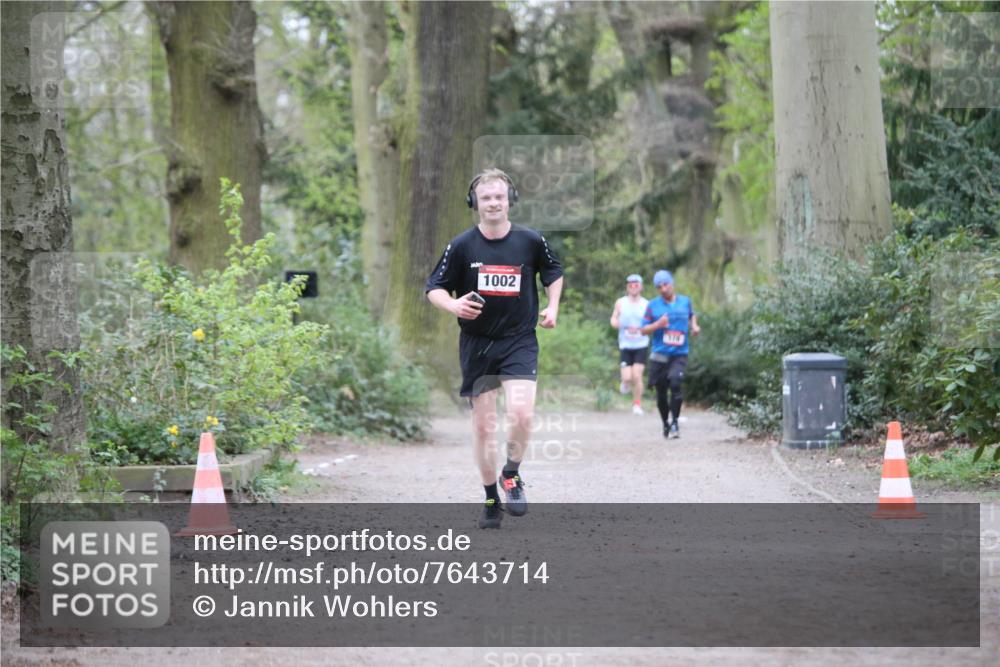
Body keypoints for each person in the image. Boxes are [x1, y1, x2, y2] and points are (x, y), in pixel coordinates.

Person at [425, 168, 564, 529]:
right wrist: (453, 305)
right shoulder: (461, 246)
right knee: (484, 427)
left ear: (509, 200)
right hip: (477, 344)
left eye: (499, 197)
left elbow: (553, 272)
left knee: (521, 414)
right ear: (475, 203)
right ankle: (490, 497)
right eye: (486, 198)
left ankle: (511, 475)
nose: (493, 203)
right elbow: (434, 287)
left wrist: (553, 306)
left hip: (519, 339)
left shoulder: (531, 241)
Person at [640, 270, 700, 439]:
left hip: (679, 353)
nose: (663, 289)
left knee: (675, 383)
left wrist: (694, 326)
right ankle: (665, 423)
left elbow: (691, 315)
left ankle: (675, 422)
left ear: (671, 284)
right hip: (659, 355)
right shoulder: (652, 306)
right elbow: (643, 330)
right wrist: (658, 324)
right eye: (659, 286)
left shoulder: (685, 301)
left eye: (665, 284)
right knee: (661, 393)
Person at [610, 274, 649, 415]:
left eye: (636, 285)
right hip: (625, 344)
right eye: (631, 285)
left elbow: (651, 322)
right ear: (627, 287)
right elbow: (614, 318)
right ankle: (625, 382)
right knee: (627, 377)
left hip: (641, 344)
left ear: (641, 286)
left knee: (637, 375)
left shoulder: (646, 304)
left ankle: (637, 405)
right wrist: (615, 323)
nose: (633, 287)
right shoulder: (620, 302)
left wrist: (645, 329)